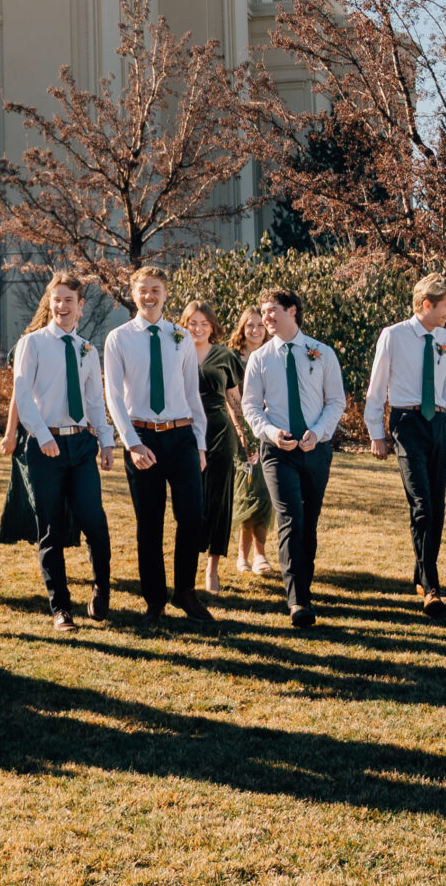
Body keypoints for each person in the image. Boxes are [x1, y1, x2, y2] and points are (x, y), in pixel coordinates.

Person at [103, 266, 212, 627]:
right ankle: (155, 601)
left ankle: (185, 592)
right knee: (149, 523)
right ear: (133, 294)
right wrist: (131, 444)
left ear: (166, 294)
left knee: (193, 517)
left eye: (155, 290)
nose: (149, 296)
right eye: (143, 290)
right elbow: (114, 396)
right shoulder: (118, 339)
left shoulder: (180, 336)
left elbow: (192, 394)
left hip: (181, 436)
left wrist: (199, 443)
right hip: (142, 438)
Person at [10, 271, 116, 631]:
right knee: (51, 529)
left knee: (95, 522)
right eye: (56, 299)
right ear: (49, 302)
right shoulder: (33, 344)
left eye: (68, 300)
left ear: (80, 306)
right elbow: (23, 396)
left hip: (81, 445)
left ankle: (102, 588)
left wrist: (106, 441)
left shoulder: (88, 349)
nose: (61, 306)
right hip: (46, 447)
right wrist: (42, 435)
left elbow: (95, 400)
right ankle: (61, 609)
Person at [364, 272, 446, 618]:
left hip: (438, 425)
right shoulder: (393, 336)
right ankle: (432, 586)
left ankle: (420, 571)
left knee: (434, 507)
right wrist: (375, 433)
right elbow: (376, 387)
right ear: (427, 304)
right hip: (407, 424)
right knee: (422, 503)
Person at [240, 287, 346, 629]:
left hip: (316, 449)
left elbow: (336, 402)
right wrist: (272, 434)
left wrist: (319, 432)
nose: (266, 318)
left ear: (293, 311)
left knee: (309, 521)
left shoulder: (322, 353)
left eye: (272, 311)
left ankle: (305, 585)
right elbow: (251, 406)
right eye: (263, 311)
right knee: (289, 519)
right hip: (277, 452)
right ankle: (297, 600)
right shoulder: (260, 359)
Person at [180, 300, 242, 598]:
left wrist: (245, 436)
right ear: (185, 324)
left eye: (204, 323)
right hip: (184, 432)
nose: (198, 328)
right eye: (193, 322)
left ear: (212, 326)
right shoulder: (175, 352)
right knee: (191, 502)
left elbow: (236, 400)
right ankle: (188, 564)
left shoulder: (226, 356)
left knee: (219, 500)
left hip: (219, 432)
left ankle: (212, 566)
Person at [225, 307, 275, 578]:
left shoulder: (273, 355)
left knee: (264, 494)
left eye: (260, 325)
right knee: (247, 492)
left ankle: (260, 554)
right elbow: (232, 402)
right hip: (240, 433)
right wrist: (243, 434)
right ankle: (242, 556)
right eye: (250, 325)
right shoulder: (232, 358)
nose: (255, 330)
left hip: (269, 432)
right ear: (242, 328)